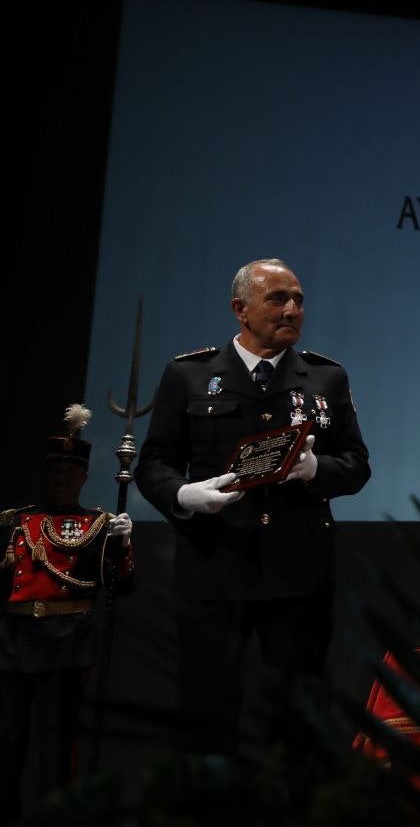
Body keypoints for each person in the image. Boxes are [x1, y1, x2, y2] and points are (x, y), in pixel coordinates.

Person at [136, 258, 370, 753]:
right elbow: (154, 463)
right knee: (207, 714)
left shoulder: (326, 378)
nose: (292, 310)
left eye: (298, 300)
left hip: (298, 574)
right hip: (215, 564)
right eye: (277, 299)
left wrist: (316, 472)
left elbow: (356, 464)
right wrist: (184, 495)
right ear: (240, 309)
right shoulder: (190, 375)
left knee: (300, 719)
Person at [1, 406, 135, 818]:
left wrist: (122, 546)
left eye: (69, 471)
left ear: (83, 476)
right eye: (55, 470)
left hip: (65, 643)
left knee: (56, 744)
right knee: (7, 742)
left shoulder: (97, 524)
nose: (61, 478)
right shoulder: (18, 520)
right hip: (14, 642)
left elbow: (121, 584)